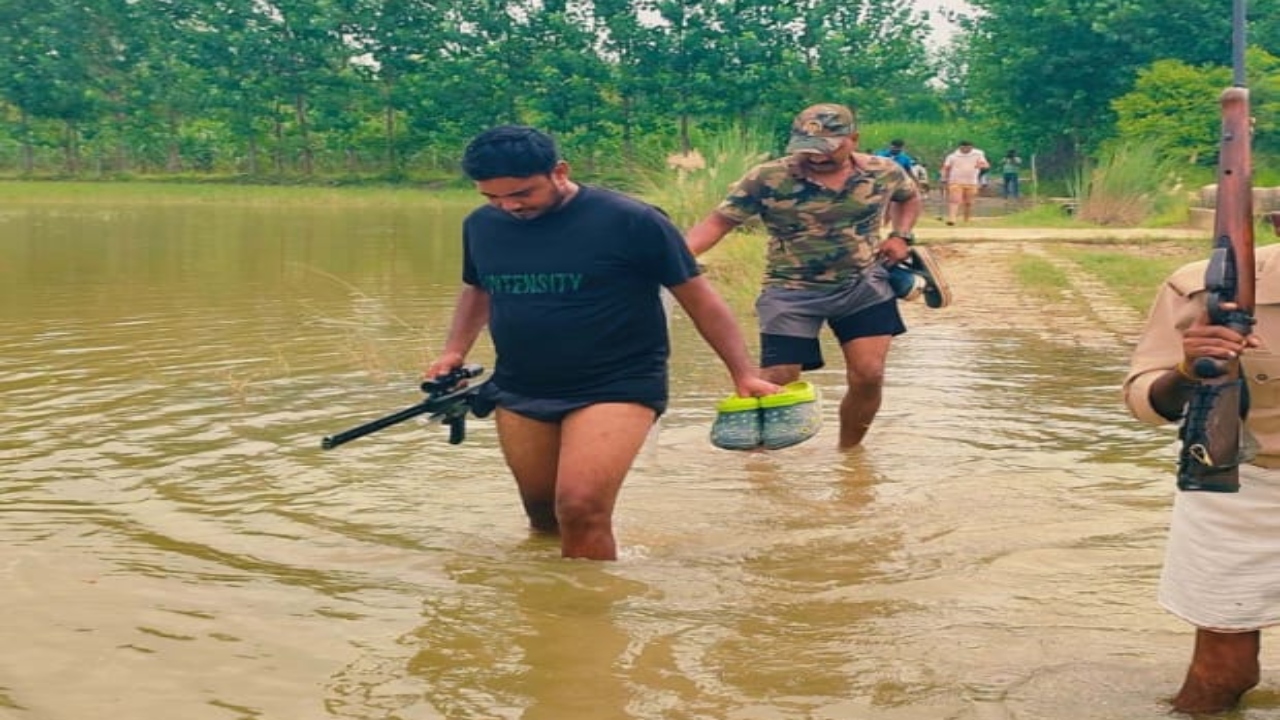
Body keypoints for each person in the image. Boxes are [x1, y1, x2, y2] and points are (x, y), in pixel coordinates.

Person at [425, 125, 779, 561]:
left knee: (580, 508)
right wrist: (453, 352)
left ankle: (588, 620)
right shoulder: (482, 225)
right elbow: (477, 290)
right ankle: (545, 610)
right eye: (492, 197)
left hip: (618, 383)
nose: (508, 206)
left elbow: (699, 298)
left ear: (559, 172)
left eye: (521, 193)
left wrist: (743, 373)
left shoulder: (632, 220)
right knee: (542, 516)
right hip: (522, 385)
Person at [685, 102, 942, 449]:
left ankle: (849, 457)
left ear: (853, 138)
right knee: (778, 379)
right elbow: (717, 223)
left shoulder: (885, 171)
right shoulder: (768, 177)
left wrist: (901, 235)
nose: (816, 157)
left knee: (869, 375)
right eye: (807, 149)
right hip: (790, 291)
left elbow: (908, 198)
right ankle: (763, 471)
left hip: (863, 285)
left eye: (827, 149)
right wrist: (673, 261)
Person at [1123, 221, 1280, 714]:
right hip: (1241, 481)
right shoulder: (1201, 289)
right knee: (1222, 674)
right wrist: (1192, 368)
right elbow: (1144, 400)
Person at [940, 140, 989, 225]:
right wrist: (944, 178)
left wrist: (980, 165)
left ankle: (967, 219)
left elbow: (986, 165)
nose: (966, 149)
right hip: (955, 180)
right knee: (954, 200)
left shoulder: (978, 154)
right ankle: (952, 219)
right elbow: (946, 167)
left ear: (971, 147)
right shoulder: (952, 156)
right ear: (960, 147)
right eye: (964, 148)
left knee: (968, 202)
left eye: (968, 148)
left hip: (972, 181)